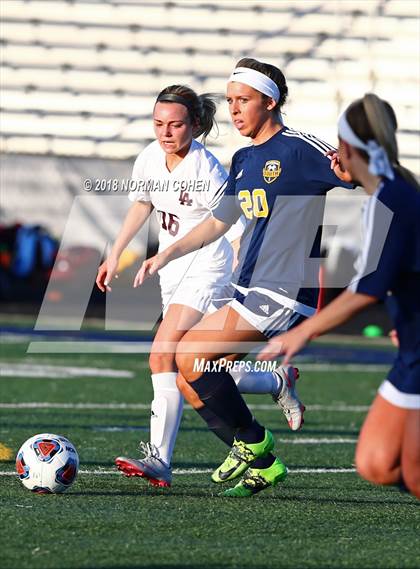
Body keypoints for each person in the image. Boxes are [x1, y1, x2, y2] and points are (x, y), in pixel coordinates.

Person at [135, 58, 352, 497]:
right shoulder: (245, 157)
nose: (234, 110)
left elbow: (356, 173)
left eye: (244, 101)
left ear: (270, 102)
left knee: (190, 355)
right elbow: (220, 220)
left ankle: (252, 441)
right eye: (231, 100)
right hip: (247, 286)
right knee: (190, 379)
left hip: (286, 290)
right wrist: (167, 253)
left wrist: (353, 168)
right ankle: (265, 463)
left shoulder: (299, 148)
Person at [96, 84, 302, 489]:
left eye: (175, 125)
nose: (165, 133)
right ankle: (275, 381)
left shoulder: (206, 168)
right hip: (172, 274)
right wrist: (114, 253)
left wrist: (246, 274)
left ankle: (159, 460)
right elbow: (142, 204)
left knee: (163, 356)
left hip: (208, 270)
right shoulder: (150, 158)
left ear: (195, 124)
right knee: (200, 371)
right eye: (158, 124)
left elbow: (234, 225)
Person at [257, 94, 420, 499]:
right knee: (376, 464)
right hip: (412, 348)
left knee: (414, 473)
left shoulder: (393, 198)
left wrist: (302, 333)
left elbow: (367, 290)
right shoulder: (385, 195)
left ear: (347, 147)